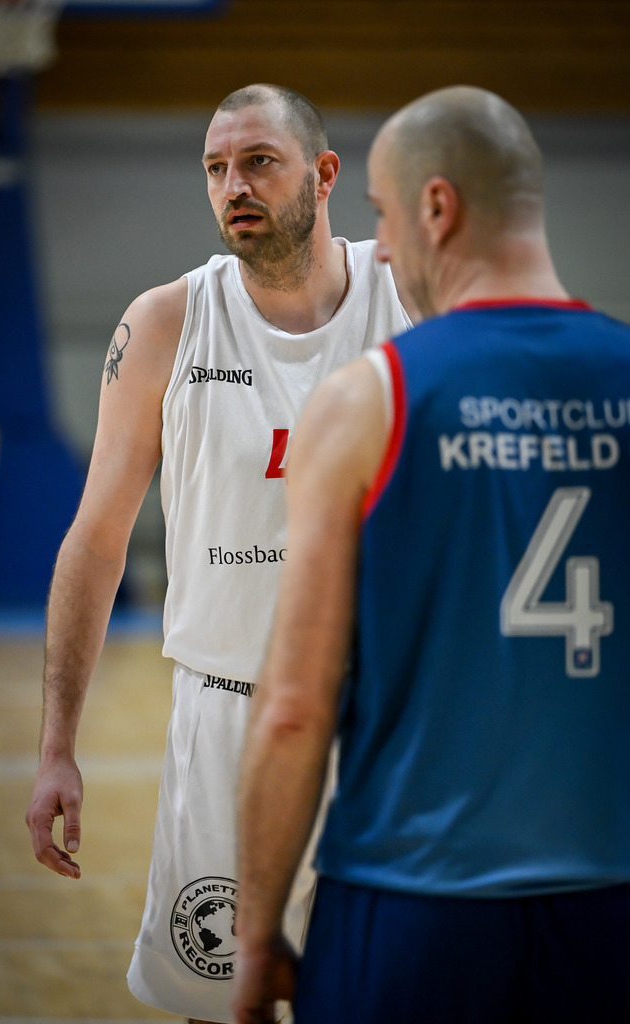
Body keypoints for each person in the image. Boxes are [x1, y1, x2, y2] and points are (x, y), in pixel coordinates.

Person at [233, 85, 630, 1024]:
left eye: (378, 213)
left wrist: (253, 937)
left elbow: (293, 708)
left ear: (436, 208)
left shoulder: (369, 399)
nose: (384, 243)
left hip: (410, 901)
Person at [24, 83, 410, 1024]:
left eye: (258, 162)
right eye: (214, 168)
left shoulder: (412, 297)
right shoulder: (164, 324)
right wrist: (55, 747)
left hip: (389, 724)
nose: (232, 184)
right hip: (226, 720)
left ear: (324, 175)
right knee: (221, 1004)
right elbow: (97, 539)